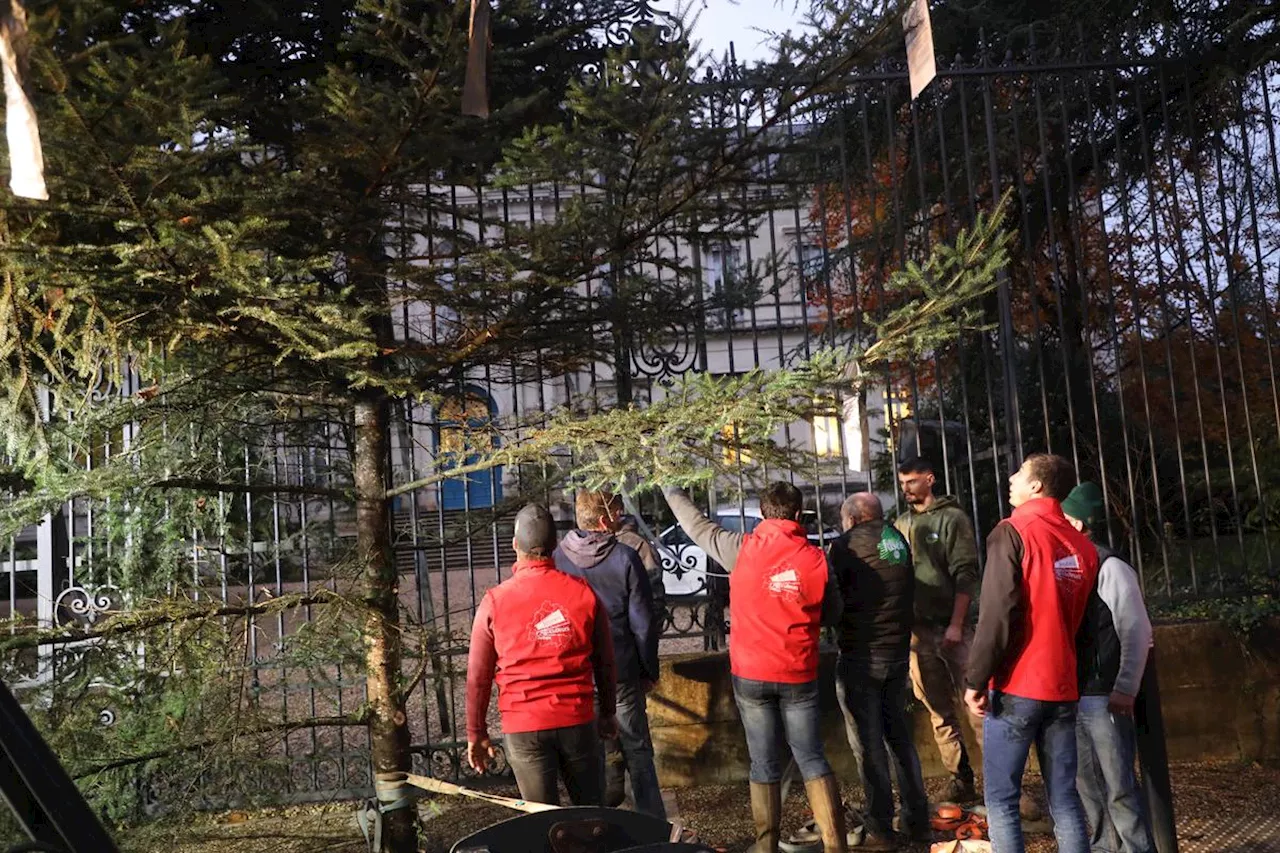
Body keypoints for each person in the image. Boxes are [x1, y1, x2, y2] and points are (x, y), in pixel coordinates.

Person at [664, 482, 846, 853]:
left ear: (763, 514)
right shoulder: (816, 559)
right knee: (811, 756)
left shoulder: (740, 548)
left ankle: (766, 845)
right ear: (799, 514)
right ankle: (835, 844)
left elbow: (695, 525)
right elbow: (833, 612)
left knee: (763, 761)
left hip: (751, 672)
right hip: (799, 671)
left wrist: (671, 487)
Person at [963, 454, 1100, 853]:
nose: (1011, 478)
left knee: (1002, 801)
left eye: (1019, 473)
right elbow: (1086, 626)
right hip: (1062, 686)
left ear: (1037, 485)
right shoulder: (1081, 545)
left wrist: (976, 680)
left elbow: (996, 614)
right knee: (1065, 798)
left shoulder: (1012, 530)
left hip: (1019, 683)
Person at [465, 503, 618, 806]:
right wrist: (609, 712)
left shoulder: (495, 602)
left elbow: (478, 677)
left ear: (514, 546)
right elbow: (605, 661)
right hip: (577, 718)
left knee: (540, 820)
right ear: (555, 547)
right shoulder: (583, 592)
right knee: (591, 815)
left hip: (524, 724)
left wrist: (476, 732)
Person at [553, 489, 665, 819]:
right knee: (637, 750)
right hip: (621, 668)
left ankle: (598, 825)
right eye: (616, 514)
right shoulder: (625, 558)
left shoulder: (559, 559)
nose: (620, 519)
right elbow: (643, 624)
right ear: (604, 521)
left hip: (579, 671)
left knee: (590, 755)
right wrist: (649, 670)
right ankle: (652, 823)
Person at [830, 492, 929, 850]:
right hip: (897, 654)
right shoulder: (896, 539)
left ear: (854, 518)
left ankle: (881, 827)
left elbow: (832, 600)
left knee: (868, 746)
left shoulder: (846, 546)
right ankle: (918, 820)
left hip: (861, 655)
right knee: (900, 739)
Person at [1061, 482, 1156, 853]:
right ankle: (1105, 847)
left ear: (1080, 523)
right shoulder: (1069, 565)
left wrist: (1125, 687)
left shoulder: (1110, 566)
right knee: (1088, 784)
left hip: (1103, 694)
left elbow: (1136, 629)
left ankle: (1135, 848)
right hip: (1074, 692)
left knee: (1118, 787)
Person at [894, 457, 983, 804]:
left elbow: (966, 573)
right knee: (936, 708)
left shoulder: (952, 518)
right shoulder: (900, 524)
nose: (906, 489)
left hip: (952, 626)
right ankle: (959, 779)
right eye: (902, 483)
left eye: (913, 481)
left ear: (929, 479)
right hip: (918, 631)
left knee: (976, 704)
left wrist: (958, 624)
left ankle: (1002, 784)